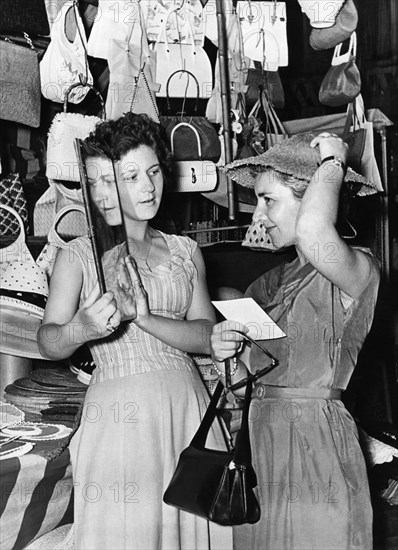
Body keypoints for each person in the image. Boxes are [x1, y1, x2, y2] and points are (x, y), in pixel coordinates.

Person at [37, 112, 232, 550]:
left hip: (188, 412)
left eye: (154, 171)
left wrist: (146, 319)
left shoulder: (186, 251)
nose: (148, 187)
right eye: (131, 176)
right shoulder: (79, 256)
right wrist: (82, 328)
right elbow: (48, 341)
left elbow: (206, 334)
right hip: (120, 423)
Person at [209, 132, 380, 550]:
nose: (259, 215)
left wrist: (333, 163)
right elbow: (249, 379)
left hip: (315, 440)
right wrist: (224, 355)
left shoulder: (358, 270)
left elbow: (312, 232)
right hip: (262, 444)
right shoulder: (269, 282)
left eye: (270, 200)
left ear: (315, 198)